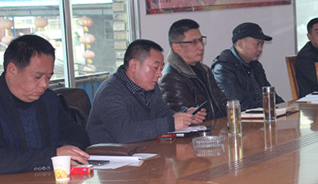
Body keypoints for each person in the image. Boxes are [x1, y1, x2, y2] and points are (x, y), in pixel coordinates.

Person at [0, 34, 90, 174]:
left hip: (49, 181)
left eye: (48, 77)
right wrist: (52, 156)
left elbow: (77, 134)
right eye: (37, 77)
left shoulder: (48, 99)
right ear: (12, 70)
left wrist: (70, 151)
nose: (44, 85)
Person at [87, 39, 205, 144]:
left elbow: (162, 114)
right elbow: (123, 133)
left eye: (161, 69)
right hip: (111, 157)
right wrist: (171, 123)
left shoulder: (150, 86)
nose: (159, 74)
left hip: (143, 151)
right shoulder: (110, 92)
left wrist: (186, 116)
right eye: (155, 68)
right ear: (134, 65)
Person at [160, 19, 228, 120]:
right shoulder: (171, 77)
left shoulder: (205, 70)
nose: (201, 47)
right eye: (194, 42)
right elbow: (190, 119)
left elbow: (223, 104)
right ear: (177, 47)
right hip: (202, 129)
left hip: (218, 126)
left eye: (201, 40)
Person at [211, 22, 283, 111]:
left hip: (260, 115)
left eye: (262, 44)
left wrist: (286, 108)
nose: (260, 49)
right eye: (257, 44)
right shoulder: (223, 68)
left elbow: (270, 96)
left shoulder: (255, 65)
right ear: (240, 44)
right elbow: (239, 106)